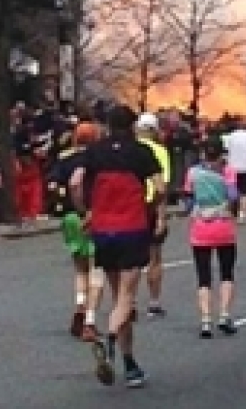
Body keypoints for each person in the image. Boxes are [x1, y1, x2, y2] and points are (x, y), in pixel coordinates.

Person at [69, 104, 165, 389]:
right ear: (133, 126)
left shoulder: (94, 152)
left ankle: (130, 362)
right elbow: (159, 188)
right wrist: (150, 208)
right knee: (127, 299)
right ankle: (110, 340)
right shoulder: (141, 152)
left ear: (108, 125)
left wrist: (86, 209)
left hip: (103, 229)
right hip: (132, 229)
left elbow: (75, 182)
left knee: (116, 297)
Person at [50, 121, 103, 341]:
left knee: (80, 268)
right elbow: (77, 182)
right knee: (97, 269)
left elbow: (53, 185)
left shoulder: (64, 157)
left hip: (69, 217)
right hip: (92, 215)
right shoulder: (98, 158)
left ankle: (80, 304)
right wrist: (85, 208)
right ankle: (90, 321)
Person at [183, 139, 239, 338]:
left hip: (200, 228)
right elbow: (233, 196)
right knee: (226, 273)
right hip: (223, 226)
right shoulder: (228, 172)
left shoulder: (193, 173)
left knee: (203, 277)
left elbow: (188, 199)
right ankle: (224, 315)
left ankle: (205, 320)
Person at [136, 113, 171, 318]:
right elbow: (162, 186)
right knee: (154, 257)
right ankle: (154, 301)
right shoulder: (160, 151)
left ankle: (128, 300)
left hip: (130, 206)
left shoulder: (129, 149)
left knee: (129, 258)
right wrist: (161, 215)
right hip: (150, 205)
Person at [223, 118, 246, 222]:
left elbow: (225, 153)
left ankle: (230, 213)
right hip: (245, 168)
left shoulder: (229, 137)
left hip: (232, 168)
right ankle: (241, 215)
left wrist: (228, 164)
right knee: (244, 193)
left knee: (232, 191)